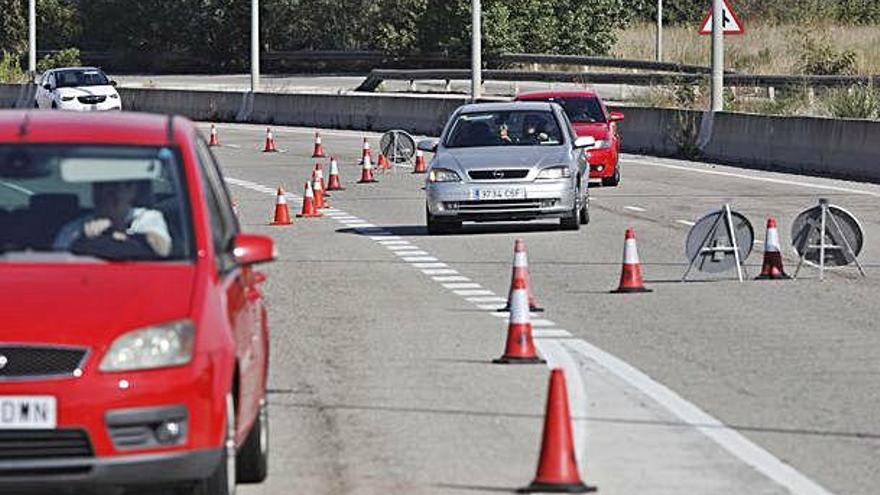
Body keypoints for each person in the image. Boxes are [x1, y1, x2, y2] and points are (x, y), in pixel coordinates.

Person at [54, 180, 171, 257]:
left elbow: (162, 250)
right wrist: (84, 239)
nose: (105, 195)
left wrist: (119, 231)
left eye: (113, 190)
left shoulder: (147, 218)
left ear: (131, 191)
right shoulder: (74, 228)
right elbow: (59, 260)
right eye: (100, 188)